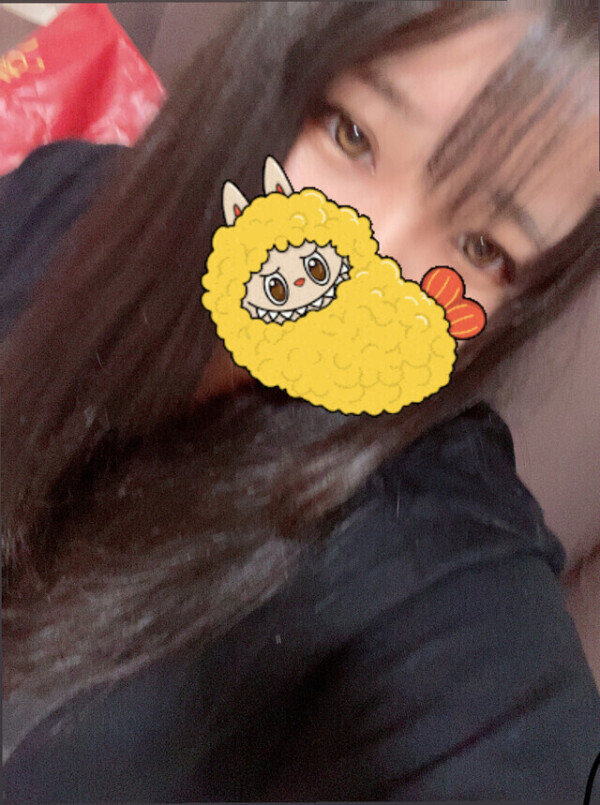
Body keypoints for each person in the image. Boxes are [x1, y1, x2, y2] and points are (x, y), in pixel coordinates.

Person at [2, 1, 599, 801]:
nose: (371, 264)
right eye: (353, 135)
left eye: (482, 248)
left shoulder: (438, 568)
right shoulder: (66, 198)